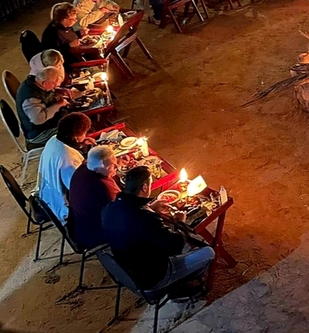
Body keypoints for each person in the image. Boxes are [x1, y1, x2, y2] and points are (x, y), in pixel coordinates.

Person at [103, 166, 215, 294]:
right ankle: (178, 286)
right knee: (208, 252)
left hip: (125, 267)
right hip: (152, 276)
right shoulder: (145, 219)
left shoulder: (110, 208)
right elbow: (176, 245)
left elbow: (131, 220)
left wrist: (150, 207)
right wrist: (180, 222)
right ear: (144, 187)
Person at [37, 112, 92, 223]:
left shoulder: (53, 140)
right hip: (61, 206)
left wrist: (81, 146)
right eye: (84, 133)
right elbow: (80, 189)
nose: (85, 136)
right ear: (76, 137)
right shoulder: (68, 159)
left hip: (45, 193)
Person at [68, 145, 120, 250]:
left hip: (76, 224)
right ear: (97, 169)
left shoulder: (82, 169)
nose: (117, 166)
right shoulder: (103, 188)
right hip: (91, 234)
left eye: (115, 162)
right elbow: (121, 212)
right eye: (111, 166)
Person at [15, 66, 69, 146]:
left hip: (46, 125)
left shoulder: (35, 82)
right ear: (45, 83)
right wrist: (58, 104)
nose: (56, 86)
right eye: (54, 83)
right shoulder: (30, 97)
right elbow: (38, 119)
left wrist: (58, 92)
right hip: (39, 134)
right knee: (74, 128)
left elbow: (45, 97)